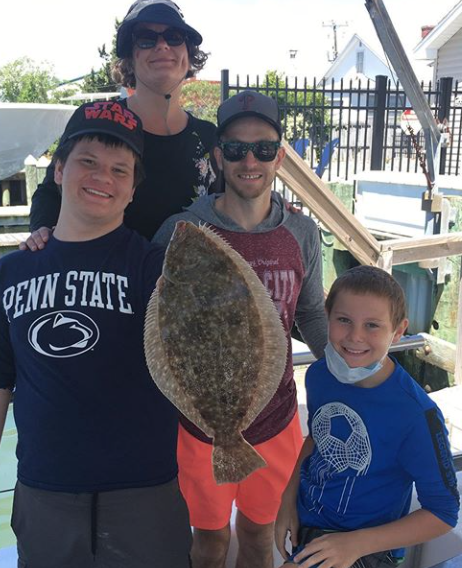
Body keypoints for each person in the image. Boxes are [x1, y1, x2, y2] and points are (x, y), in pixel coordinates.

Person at [0, 101, 192, 568]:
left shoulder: (161, 272)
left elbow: (204, 357)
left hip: (145, 495)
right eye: (87, 161)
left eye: (120, 169)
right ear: (59, 170)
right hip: (43, 496)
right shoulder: (7, 275)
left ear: (133, 189)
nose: (102, 177)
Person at [153, 90, 328, 568]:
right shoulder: (181, 232)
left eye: (264, 149)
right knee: (209, 542)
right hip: (200, 426)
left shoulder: (302, 232)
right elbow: (155, 325)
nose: (250, 161)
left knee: (257, 537)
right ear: (218, 156)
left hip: (277, 421)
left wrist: (353, 373)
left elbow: (311, 315)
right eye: (235, 149)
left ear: (280, 157)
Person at [275, 265, 460, 568]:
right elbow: (317, 440)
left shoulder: (416, 414)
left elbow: (444, 512)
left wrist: (355, 544)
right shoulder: (320, 375)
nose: (355, 336)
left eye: (372, 325)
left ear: (398, 332)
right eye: (344, 320)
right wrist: (288, 498)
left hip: (367, 549)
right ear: (327, 317)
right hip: (310, 532)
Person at [26, 0, 216, 246]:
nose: (162, 45)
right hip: (104, 267)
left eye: (174, 37)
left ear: (189, 55)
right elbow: (51, 191)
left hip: (190, 271)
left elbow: (229, 205)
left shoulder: (209, 136)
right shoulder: (95, 120)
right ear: (130, 58)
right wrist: (41, 234)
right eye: (146, 39)